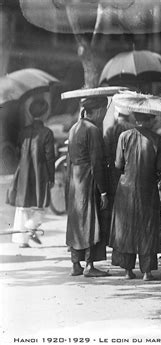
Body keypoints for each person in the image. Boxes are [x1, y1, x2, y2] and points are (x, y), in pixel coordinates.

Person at [109, 106, 161, 281]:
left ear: (135, 119)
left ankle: (127, 270)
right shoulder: (156, 139)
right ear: (149, 120)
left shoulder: (124, 137)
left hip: (126, 188)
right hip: (148, 187)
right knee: (147, 227)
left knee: (127, 226)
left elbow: (118, 164)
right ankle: (147, 272)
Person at [65, 94, 111, 277]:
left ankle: (75, 263)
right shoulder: (93, 130)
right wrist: (104, 191)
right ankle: (90, 265)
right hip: (88, 179)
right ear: (98, 110)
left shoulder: (74, 128)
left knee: (77, 220)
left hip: (75, 179)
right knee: (91, 219)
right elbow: (97, 162)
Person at [7, 96, 55, 248]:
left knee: (23, 207)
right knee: (41, 206)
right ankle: (30, 227)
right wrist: (51, 176)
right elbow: (50, 157)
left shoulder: (23, 132)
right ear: (45, 114)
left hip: (23, 171)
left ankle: (22, 240)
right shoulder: (47, 133)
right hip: (39, 172)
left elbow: (17, 152)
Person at [103, 112, 134, 201]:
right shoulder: (134, 130)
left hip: (114, 171)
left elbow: (106, 152)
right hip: (131, 171)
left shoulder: (110, 130)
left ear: (116, 116)